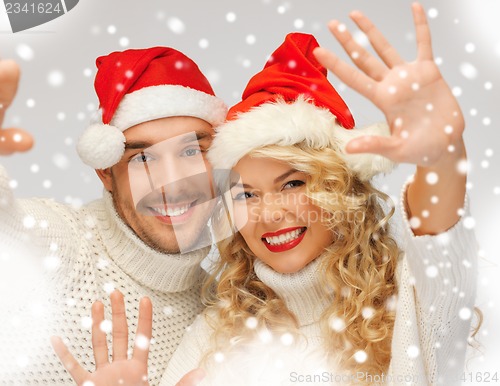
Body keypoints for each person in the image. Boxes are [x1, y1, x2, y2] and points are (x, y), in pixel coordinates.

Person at [54, 4, 479, 386]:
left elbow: (440, 237)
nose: (269, 214)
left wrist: (441, 155)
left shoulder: (412, 298)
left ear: (339, 189)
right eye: (245, 195)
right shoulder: (217, 332)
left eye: (293, 184)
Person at [0, 46, 227, 385]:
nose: (172, 185)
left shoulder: (220, 310)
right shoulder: (65, 244)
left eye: (191, 151)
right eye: (143, 159)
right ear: (106, 173)